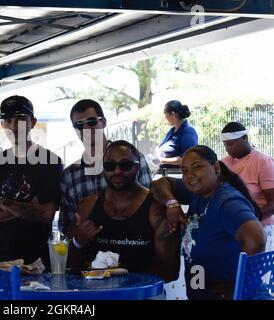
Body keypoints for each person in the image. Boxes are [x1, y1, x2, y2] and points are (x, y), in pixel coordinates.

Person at [150, 145, 265, 299]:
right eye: (184, 171)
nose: (190, 175)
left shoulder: (228, 202)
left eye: (197, 167)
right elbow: (160, 184)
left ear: (216, 168)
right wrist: (172, 203)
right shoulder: (199, 192)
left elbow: (257, 240)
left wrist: (240, 288)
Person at [71, 140, 179, 282]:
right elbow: (72, 266)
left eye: (125, 165)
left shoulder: (156, 209)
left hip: (142, 295)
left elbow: (169, 271)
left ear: (138, 168)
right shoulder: (88, 205)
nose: (117, 171)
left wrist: (120, 279)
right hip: (96, 292)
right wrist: (77, 242)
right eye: (110, 165)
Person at [0, 95, 63, 268]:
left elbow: (45, 214)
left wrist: (1, 202)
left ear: (33, 122)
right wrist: (28, 206)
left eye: (20, 119)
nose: (14, 126)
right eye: (8, 120)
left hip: (38, 261)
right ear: (2, 124)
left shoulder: (50, 161)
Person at [59, 99, 152, 233]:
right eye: (79, 125)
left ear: (103, 122)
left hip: (132, 244)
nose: (85, 128)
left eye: (91, 122)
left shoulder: (134, 159)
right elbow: (66, 225)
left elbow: (148, 205)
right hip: (90, 250)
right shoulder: (69, 175)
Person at [221, 122, 274, 252]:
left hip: (260, 228)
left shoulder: (263, 162)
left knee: (255, 271)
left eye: (231, 144)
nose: (228, 148)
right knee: (235, 270)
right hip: (232, 229)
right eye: (225, 145)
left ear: (245, 138)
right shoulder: (223, 164)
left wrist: (251, 220)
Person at [156, 100, 198, 170]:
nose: (165, 117)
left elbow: (186, 158)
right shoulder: (172, 130)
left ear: (173, 114)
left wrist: (161, 160)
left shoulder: (188, 132)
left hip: (178, 175)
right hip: (165, 172)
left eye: (165, 113)